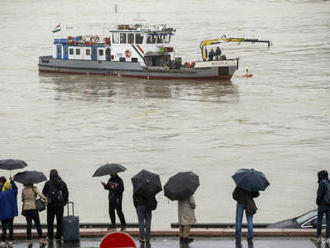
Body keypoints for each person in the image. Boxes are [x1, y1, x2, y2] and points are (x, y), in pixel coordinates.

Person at [42, 169, 69, 241]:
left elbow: (43, 193)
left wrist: (47, 199)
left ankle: (50, 236)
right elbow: (66, 193)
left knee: (50, 221)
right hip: (60, 205)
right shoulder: (62, 183)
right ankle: (59, 236)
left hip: (51, 205)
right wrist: (65, 202)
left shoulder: (47, 183)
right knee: (59, 221)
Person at [0, 177, 18, 248]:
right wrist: (12, 181)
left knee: (4, 228)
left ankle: (3, 241)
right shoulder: (13, 192)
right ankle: (10, 241)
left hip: (3, 213)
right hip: (11, 213)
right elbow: (16, 188)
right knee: (10, 227)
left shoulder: (1, 193)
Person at [315, 170, 330, 243]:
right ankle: (327, 238)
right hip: (329, 205)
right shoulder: (329, 182)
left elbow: (319, 195)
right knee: (328, 222)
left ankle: (319, 236)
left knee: (319, 221)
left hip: (322, 205)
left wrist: (317, 202)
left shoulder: (322, 183)